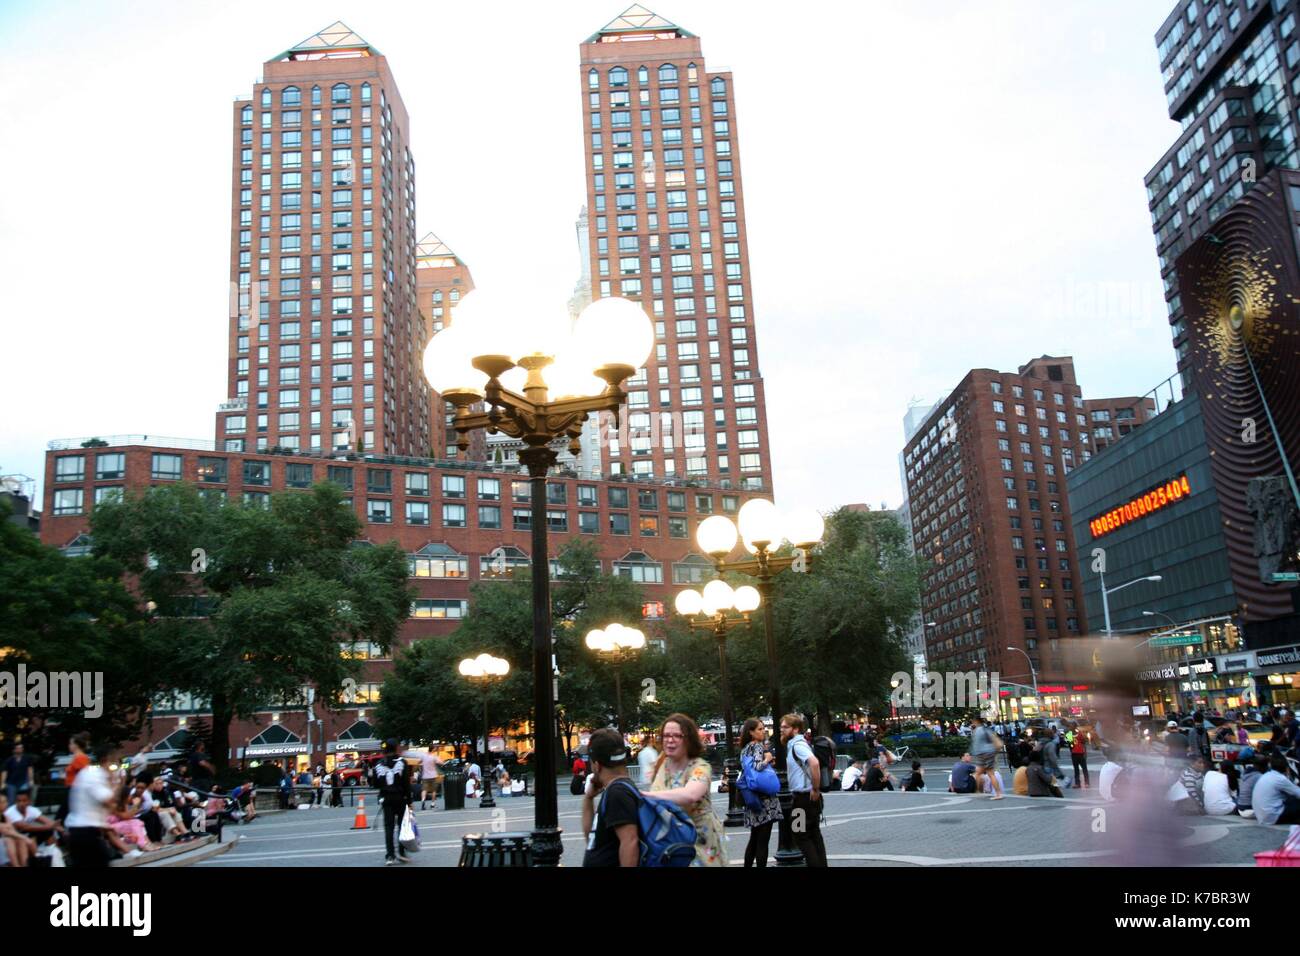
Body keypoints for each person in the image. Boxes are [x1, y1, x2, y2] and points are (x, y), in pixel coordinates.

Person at [649, 713, 727, 867]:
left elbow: (690, 794)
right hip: (672, 842)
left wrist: (645, 795)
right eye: (666, 735)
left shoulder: (700, 766)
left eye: (677, 735)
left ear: (688, 739)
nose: (670, 740)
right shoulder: (662, 765)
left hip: (700, 844)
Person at [580, 728, 640, 867]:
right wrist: (588, 798)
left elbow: (630, 842)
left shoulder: (618, 793)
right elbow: (592, 838)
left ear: (596, 765)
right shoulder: (616, 790)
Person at [779, 713, 826, 867]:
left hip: (802, 799)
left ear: (796, 729)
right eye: (781, 726)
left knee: (800, 835)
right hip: (807, 798)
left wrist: (815, 788)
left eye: (785, 727)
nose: (781, 729)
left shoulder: (798, 745)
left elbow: (814, 763)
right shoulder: (797, 744)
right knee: (813, 835)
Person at [736, 718, 781, 867]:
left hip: (752, 797)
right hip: (765, 798)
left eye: (763, 729)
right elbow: (757, 767)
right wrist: (767, 759)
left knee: (754, 839)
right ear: (751, 732)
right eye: (760, 729)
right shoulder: (757, 747)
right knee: (763, 841)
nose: (763, 731)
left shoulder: (744, 749)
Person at [372, 740, 413, 865]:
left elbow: (375, 784)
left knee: (388, 827)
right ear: (395, 748)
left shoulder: (378, 764)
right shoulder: (402, 763)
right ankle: (401, 852)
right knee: (402, 826)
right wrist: (409, 801)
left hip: (386, 798)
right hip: (400, 798)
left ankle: (390, 856)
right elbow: (406, 783)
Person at [1251, 752, 1300, 826]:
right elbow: (1298, 793)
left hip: (1261, 816)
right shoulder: (1281, 779)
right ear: (1287, 768)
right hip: (1272, 816)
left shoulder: (1266, 775)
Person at [969, 715, 1004, 800]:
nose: (972, 723)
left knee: (978, 773)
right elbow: (997, 742)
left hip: (980, 754)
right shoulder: (986, 730)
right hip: (988, 753)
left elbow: (975, 745)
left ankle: (978, 791)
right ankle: (998, 793)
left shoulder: (975, 731)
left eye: (973, 721)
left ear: (976, 721)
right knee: (990, 774)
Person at [2, 742, 35, 808]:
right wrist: (3, 782)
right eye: (18, 748)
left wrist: (31, 780)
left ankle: (25, 815)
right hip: (11, 783)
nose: (20, 749)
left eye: (21, 748)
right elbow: (5, 772)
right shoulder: (9, 760)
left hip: (23, 782)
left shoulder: (26, 759)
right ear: (14, 750)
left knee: (24, 799)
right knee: (11, 801)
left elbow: (30, 770)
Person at [1237, 754, 1267, 819]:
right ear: (1263, 766)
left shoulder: (1245, 774)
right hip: (1250, 809)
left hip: (1240, 808)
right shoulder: (1259, 776)